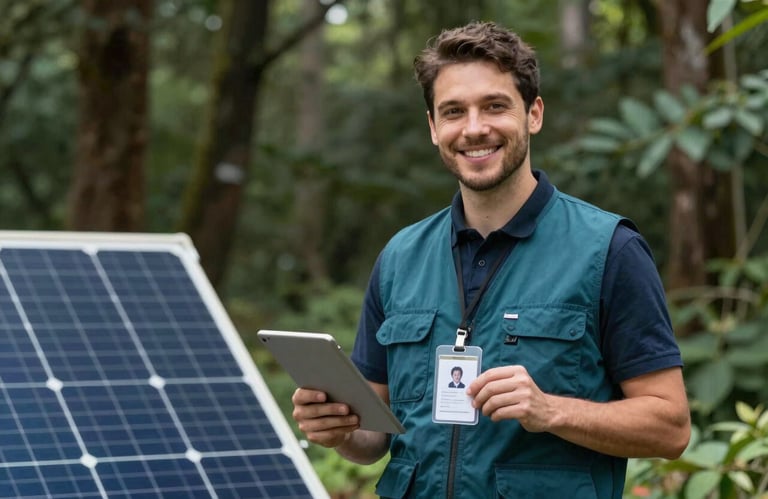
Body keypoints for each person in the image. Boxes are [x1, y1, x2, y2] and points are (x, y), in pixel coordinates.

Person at [291, 21, 690, 498]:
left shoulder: (608, 249)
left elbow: (670, 427)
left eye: (495, 106)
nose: (474, 128)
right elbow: (373, 437)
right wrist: (339, 429)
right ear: (434, 128)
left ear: (533, 114)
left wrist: (553, 411)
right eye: (454, 112)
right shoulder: (400, 257)